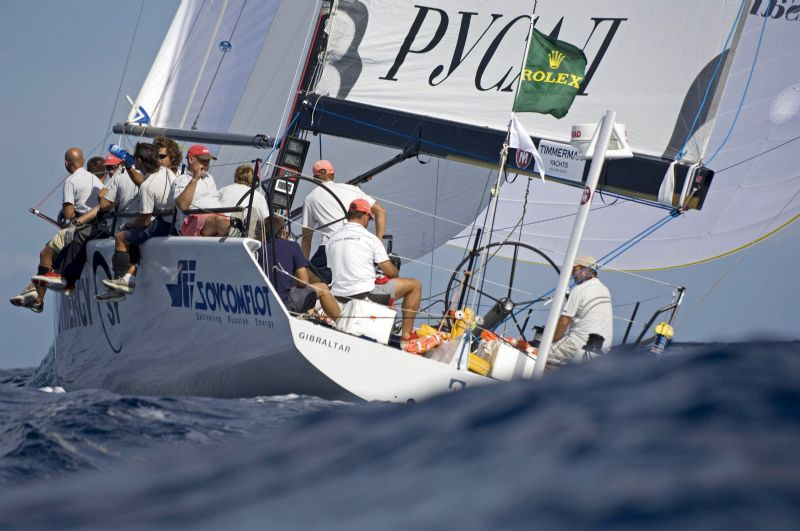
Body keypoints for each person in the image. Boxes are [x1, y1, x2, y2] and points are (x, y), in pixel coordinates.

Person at [10, 147, 102, 312]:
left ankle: (38, 300)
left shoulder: (72, 180)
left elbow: (68, 214)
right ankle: (31, 290)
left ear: (66, 164)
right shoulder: (97, 180)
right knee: (53, 250)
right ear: (82, 161)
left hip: (79, 227)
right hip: (98, 227)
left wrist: (69, 212)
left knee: (45, 253)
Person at [326, 199, 421, 343]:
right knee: (415, 285)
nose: (368, 222)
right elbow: (391, 273)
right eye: (369, 219)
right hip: (366, 294)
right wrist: (391, 266)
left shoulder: (331, 239)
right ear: (364, 215)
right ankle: (406, 337)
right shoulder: (370, 239)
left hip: (338, 296)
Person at [96, 143, 175, 298]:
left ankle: (120, 286)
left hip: (163, 224)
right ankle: (128, 277)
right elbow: (142, 181)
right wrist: (130, 167)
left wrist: (129, 225)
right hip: (171, 219)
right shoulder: (165, 171)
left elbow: (145, 220)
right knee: (130, 234)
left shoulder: (147, 186)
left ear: (140, 159)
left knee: (121, 236)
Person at [301, 159, 386, 284]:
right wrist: (378, 244)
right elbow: (380, 211)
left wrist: (302, 270)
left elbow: (306, 239)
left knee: (308, 281)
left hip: (329, 249)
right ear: (332, 174)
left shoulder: (310, 198)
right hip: (358, 247)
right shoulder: (351, 189)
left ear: (315, 177)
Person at [261, 217, 340, 320]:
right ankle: (341, 325)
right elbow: (303, 281)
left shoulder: (259, 250)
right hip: (284, 304)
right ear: (284, 231)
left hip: (266, 305)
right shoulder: (292, 246)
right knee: (323, 288)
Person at [549, 255, 614, 365]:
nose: (572, 275)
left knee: (541, 353)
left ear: (587, 269)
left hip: (579, 343)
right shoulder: (605, 289)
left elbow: (565, 321)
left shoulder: (579, 289)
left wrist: (549, 341)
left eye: (575, 270)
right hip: (603, 347)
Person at [173, 144, 235, 237]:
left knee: (226, 218)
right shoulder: (181, 179)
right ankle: (236, 232)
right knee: (217, 220)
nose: (206, 164)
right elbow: (183, 205)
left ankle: (236, 229)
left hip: (217, 217)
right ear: (191, 159)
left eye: (208, 161)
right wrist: (195, 179)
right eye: (203, 160)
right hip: (194, 221)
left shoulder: (210, 178)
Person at [219, 164, 269, 237]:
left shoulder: (222, 190)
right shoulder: (258, 196)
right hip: (238, 236)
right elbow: (266, 221)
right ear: (252, 179)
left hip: (219, 229)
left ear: (235, 176)